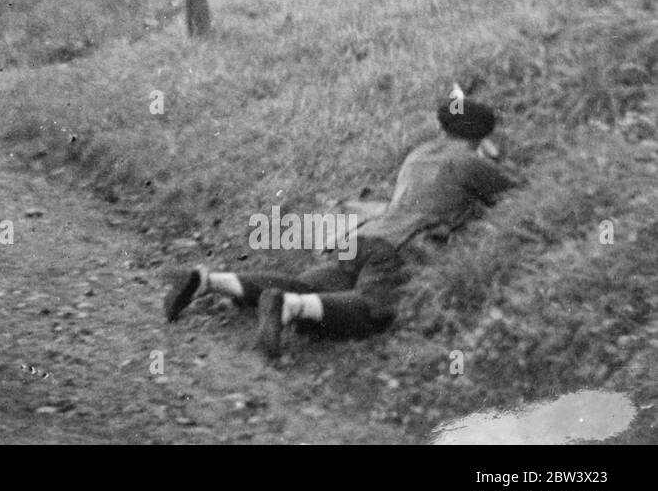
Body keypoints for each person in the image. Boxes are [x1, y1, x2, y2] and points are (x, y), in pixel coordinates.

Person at [163, 97, 522, 360]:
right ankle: (291, 307)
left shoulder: (418, 154)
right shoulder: (469, 162)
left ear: (443, 128)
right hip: (398, 247)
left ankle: (210, 280)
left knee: (312, 282)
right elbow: (516, 196)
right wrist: (493, 161)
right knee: (373, 308)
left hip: (361, 237)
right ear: (480, 137)